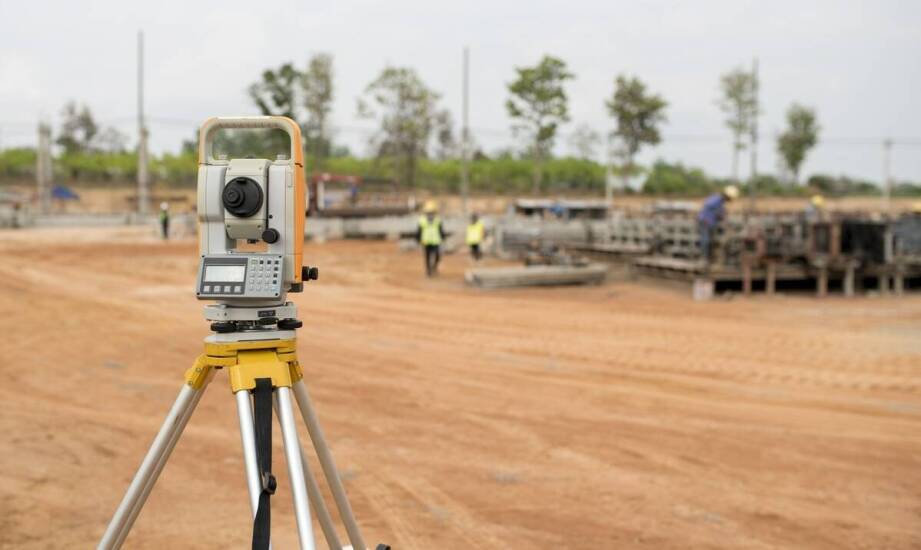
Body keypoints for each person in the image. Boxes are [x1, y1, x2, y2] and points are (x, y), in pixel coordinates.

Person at [697, 185, 739, 262]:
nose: (729, 200)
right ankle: (703, 258)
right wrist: (717, 214)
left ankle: (709, 257)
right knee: (706, 240)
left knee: (710, 240)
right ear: (727, 196)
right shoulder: (716, 199)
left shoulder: (721, 202)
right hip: (705, 221)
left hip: (711, 223)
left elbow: (720, 213)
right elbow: (707, 206)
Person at [416, 200, 445, 277]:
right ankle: (428, 271)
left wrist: (443, 238)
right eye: (429, 212)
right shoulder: (422, 220)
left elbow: (441, 230)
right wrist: (418, 239)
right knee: (427, 257)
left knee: (438, 256)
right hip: (426, 241)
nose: (430, 214)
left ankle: (434, 267)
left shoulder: (438, 220)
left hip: (436, 241)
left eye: (431, 212)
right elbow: (419, 231)